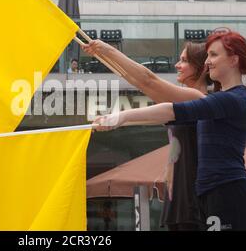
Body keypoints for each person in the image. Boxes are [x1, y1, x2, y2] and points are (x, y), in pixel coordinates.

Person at [92, 30, 246, 231]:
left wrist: (122, 116)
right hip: (203, 197)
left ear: (234, 60)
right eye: (207, 55)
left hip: (222, 195)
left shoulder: (226, 100)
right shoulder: (219, 100)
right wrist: (118, 119)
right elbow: (151, 95)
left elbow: (164, 101)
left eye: (214, 55)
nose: (208, 61)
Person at [82, 40, 210, 230]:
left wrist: (108, 50)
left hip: (193, 203)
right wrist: (104, 55)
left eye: (184, 60)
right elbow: (140, 82)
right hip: (180, 203)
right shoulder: (187, 102)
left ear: (201, 67)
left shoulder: (198, 99)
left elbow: (148, 80)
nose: (177, 65)